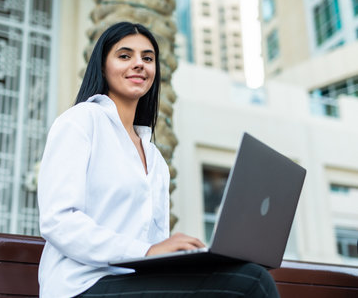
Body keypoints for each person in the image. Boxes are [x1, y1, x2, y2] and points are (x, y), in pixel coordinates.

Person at [37, 22, 280, 298]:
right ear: (103, 66)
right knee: (251, 283)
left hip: (136, 284)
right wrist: (146, 252)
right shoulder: (80, 121)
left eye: (148, 58)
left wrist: (191, 256)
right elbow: (59, 221)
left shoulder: (154, 158)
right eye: (125, 56)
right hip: (79, 286)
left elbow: (154, 244)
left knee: (243, 273)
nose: (139, 64)